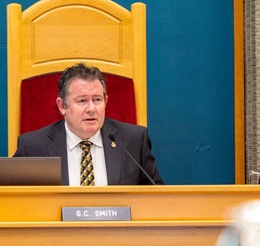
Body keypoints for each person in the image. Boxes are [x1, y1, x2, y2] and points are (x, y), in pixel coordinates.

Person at [13, 62, 164, 185]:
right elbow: (12, 201)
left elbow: (157, 199)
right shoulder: (33, 147)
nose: (91, 109)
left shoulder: (133, 141)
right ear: (62, 106)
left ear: (105, 101)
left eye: (97, 100)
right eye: (82, 101)